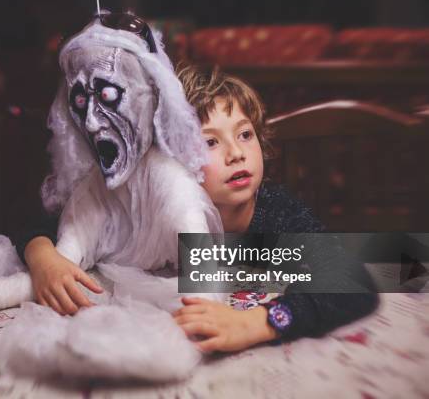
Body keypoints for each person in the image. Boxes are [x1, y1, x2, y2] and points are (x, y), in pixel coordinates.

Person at [19, 64, 378, 353]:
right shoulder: (146, 209)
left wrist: (258, 322)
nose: (236, 153)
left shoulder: (274, 214)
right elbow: (30, 224)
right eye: (210, 142)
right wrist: (43, 258)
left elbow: (351, 280)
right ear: (172, 163)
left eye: (244, 134)